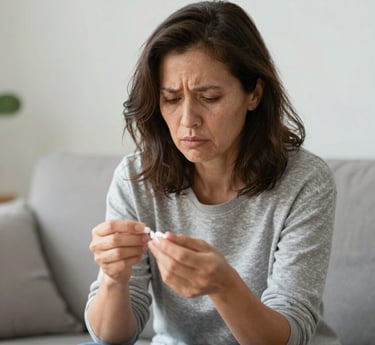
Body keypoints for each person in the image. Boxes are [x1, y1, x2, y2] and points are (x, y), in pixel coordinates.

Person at [83, 1, 341, 345]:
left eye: (209, 97)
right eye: (171, 99)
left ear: (254, 94)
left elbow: (289, 334)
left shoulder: (305, 181)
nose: (188, 121)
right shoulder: (136, 178)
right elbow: (112, 339)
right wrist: (114, 277)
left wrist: (224, 285)